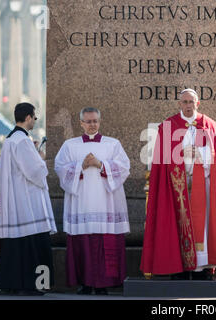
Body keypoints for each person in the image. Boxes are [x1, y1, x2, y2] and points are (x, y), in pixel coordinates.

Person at [140, 88, 216, 280]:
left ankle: (203, 267)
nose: (188, 105)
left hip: (203, 184)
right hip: (176, 187)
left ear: (197, 103)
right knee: (176, 223)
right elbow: (163, 160)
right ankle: (179, 267)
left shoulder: (208, 125)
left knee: (204, 224)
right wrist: (181, 156)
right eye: (184, 102)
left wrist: (200, 157)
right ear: (179, 104)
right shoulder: (169, 126)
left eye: (191, 102)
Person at [55, 107, 130, 295]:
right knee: (84, 243)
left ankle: (104, 284)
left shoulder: (112, 144)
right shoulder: (70, 145)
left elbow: (124, 168)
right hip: (82, 203)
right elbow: (60, 169)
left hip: (107, 203)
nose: (92, 125)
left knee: (105, 243)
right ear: (81, 123)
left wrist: (101, 165)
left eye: (95, 121)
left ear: (100, 121)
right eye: (88, 121)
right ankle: (85, 283)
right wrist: (80, 166)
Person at [0, 103, 57, 295]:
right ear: (29, 117)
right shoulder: (22, 141)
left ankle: (16, 285)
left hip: (17, 202)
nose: (34, 122)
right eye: (34, 118)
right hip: (28, 204)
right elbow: (35, 171)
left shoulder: (12, 139)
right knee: (36, 246)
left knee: (18, 248)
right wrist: (41, 158)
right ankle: (36, 285)